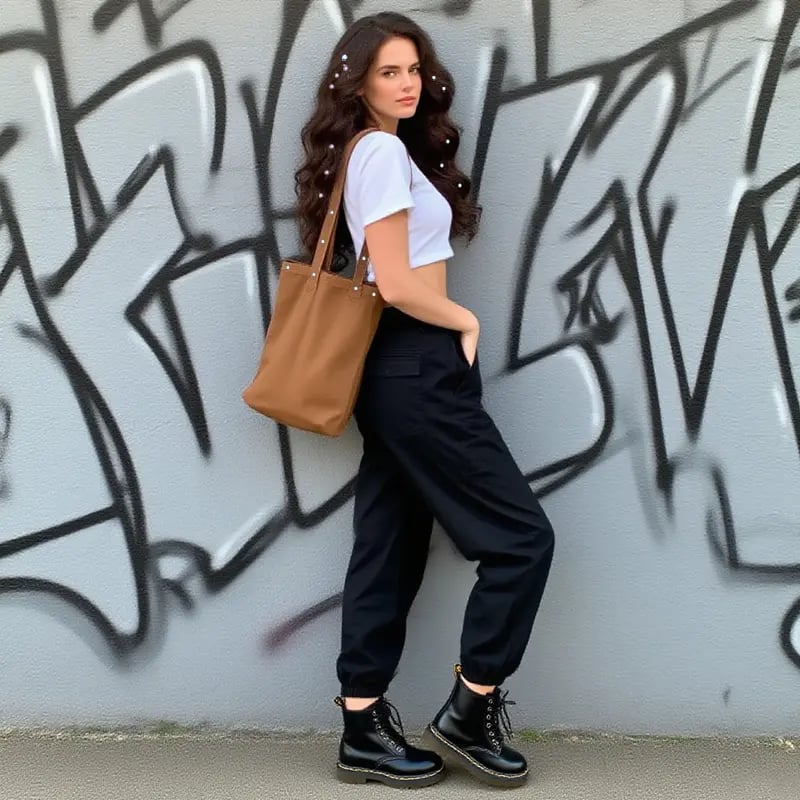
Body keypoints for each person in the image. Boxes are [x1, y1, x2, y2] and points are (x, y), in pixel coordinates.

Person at [293, 11, 555, 790]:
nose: (407, 84)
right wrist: (464, 321)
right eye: (388, 72)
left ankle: (361, 727)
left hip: (392, 370)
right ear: (356, 83)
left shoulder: (376, 149)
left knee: (390, 545)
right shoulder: (377, 152)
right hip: (416, 364)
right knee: (521, 540)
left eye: (413, 69)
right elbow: (399, 283)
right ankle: (471, 708)